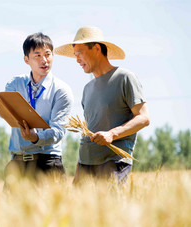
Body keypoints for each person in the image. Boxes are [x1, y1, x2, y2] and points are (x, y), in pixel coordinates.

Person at [54, 26, 150, 185]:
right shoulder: (87, 89)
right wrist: (78, 173)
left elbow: (144, 118)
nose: (77, 59)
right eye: (75, 55)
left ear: (97, 48)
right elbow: (88, 130)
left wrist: (112, 134)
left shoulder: (125, 78)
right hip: (86, 165)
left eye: (79, 53)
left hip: (114, 162)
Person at [4, 32, 74, 189]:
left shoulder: (61, 90)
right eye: (37, 55)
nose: (44, 60)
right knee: (8, 213)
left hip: (47, 163)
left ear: (53, 55)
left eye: (48, 54)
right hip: (17, 162)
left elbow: (58, 131)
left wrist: (35, 137)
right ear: (26, 59)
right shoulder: (14, 85)